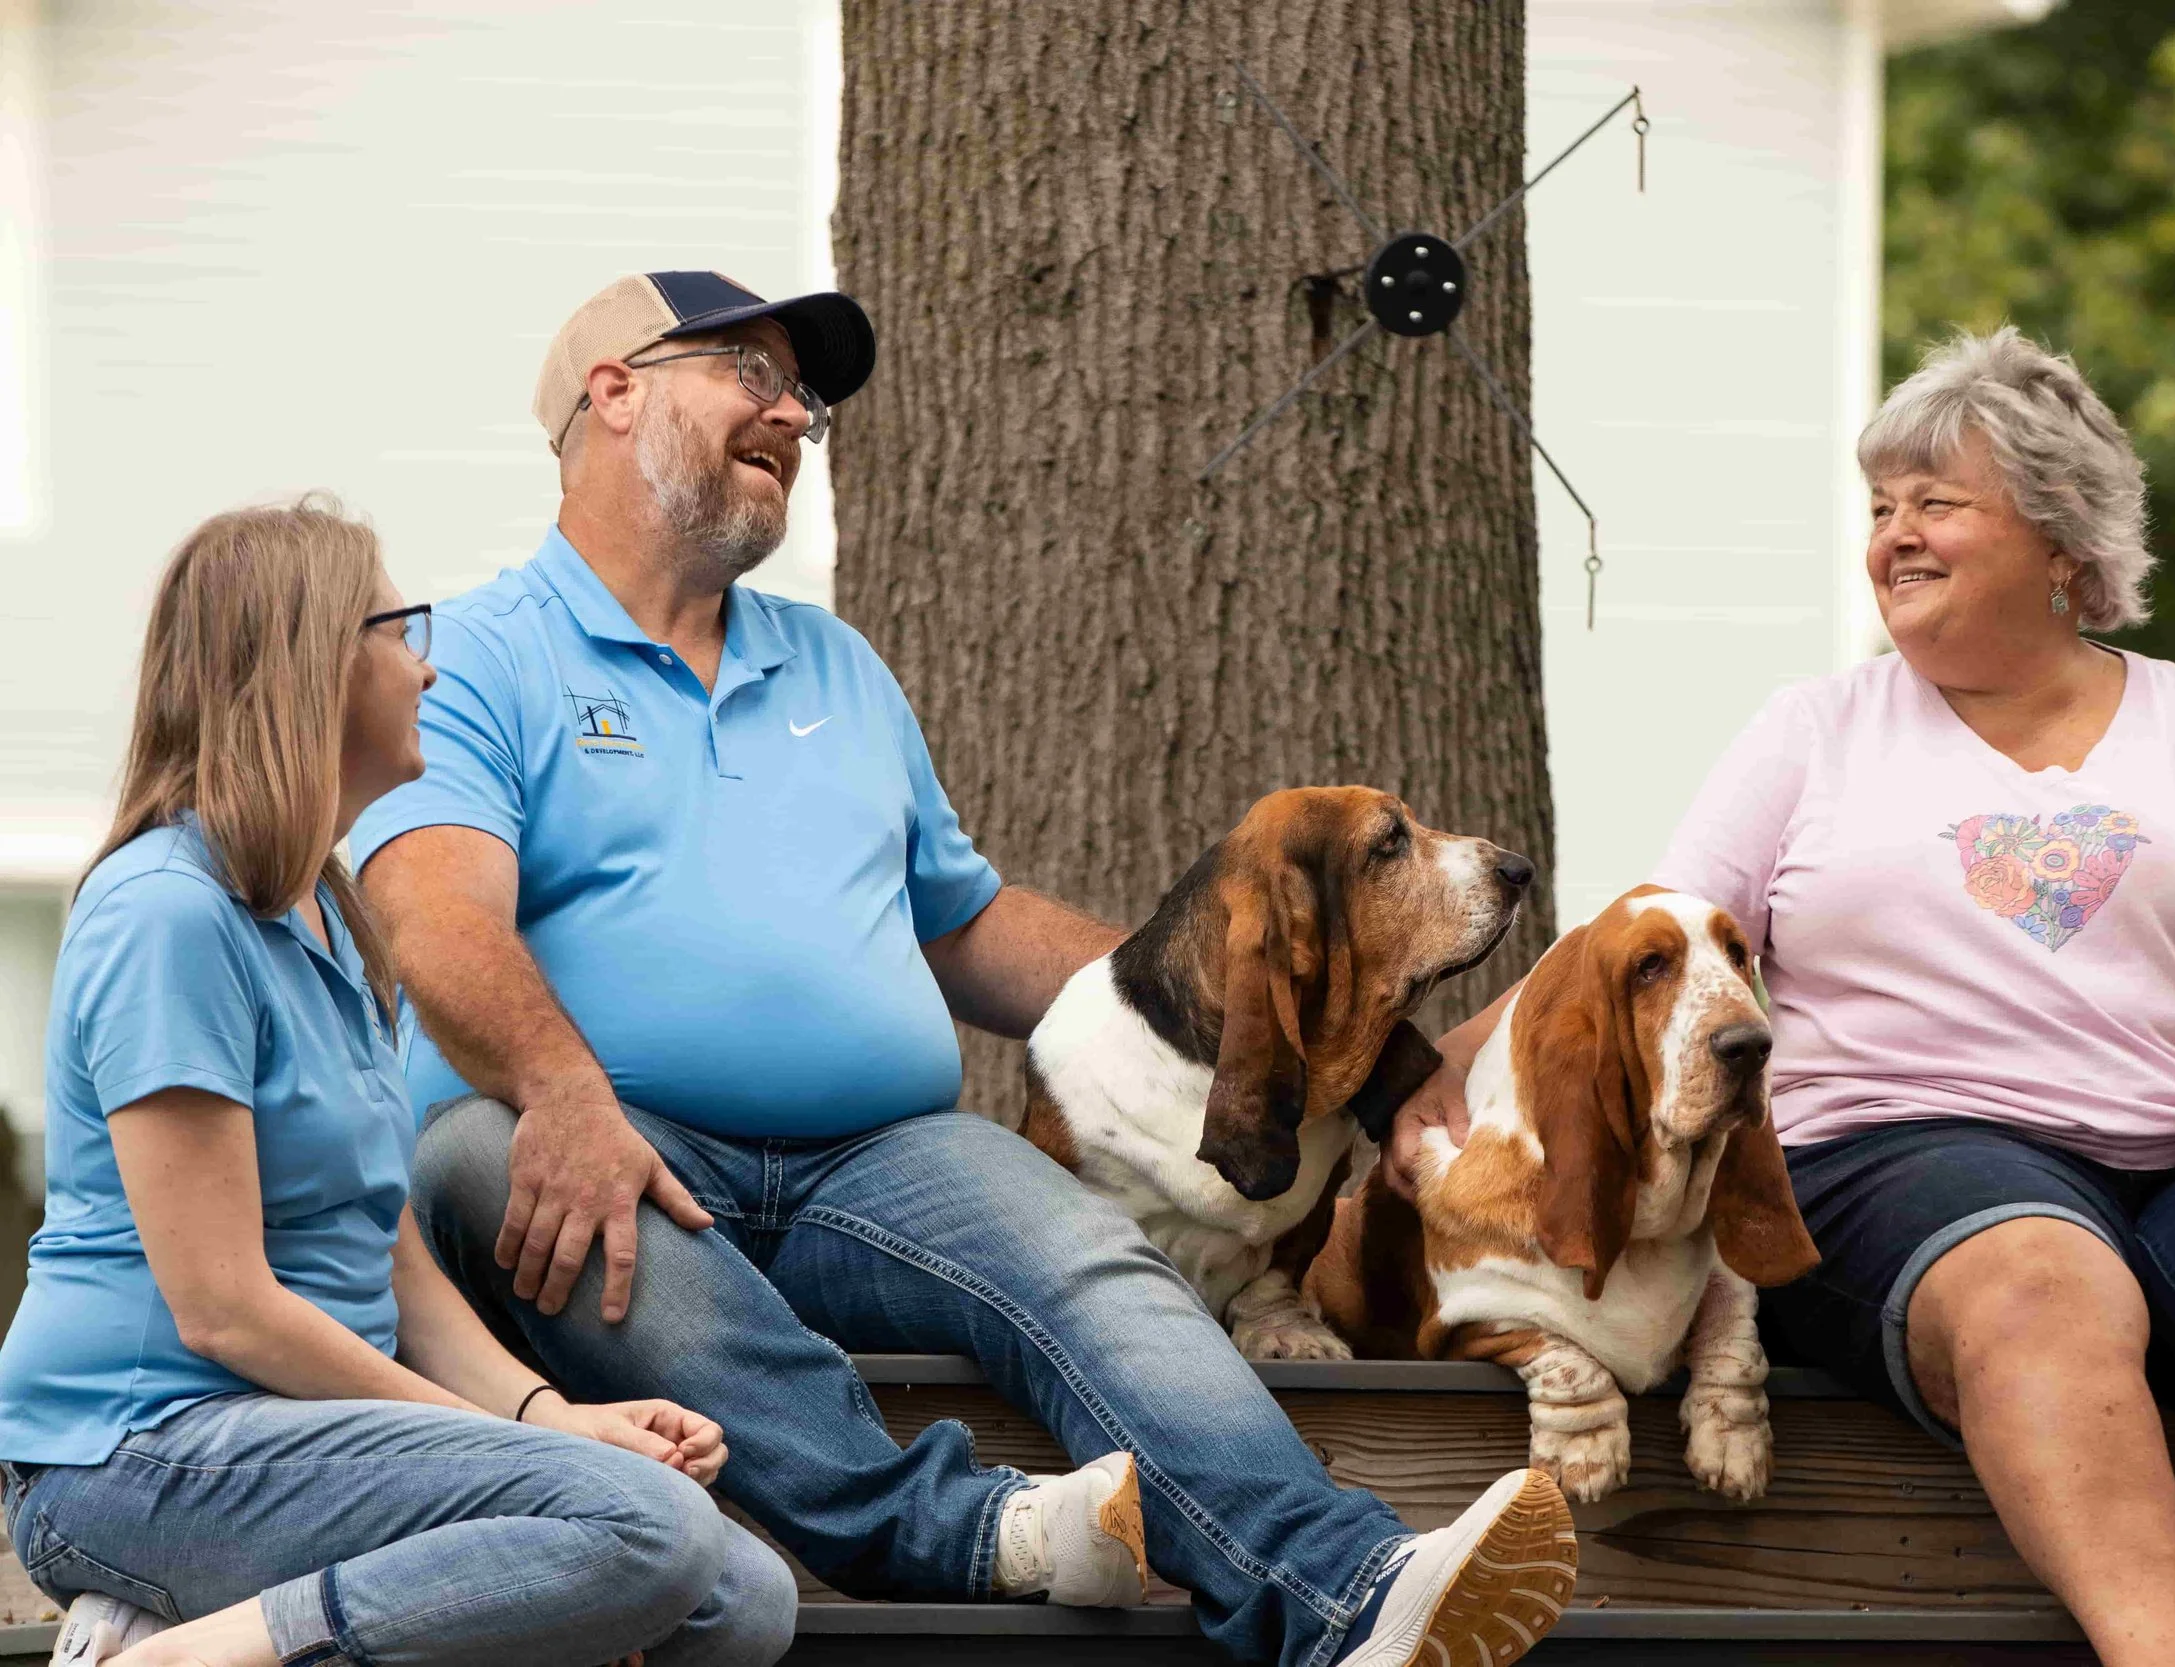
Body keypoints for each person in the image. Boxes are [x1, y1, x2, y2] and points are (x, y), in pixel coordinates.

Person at [350, 270, 1579, 1667]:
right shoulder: (475, 654)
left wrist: (1304, 1043)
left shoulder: (839, 669)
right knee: (483, 1147)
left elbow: (973, 928)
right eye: (747, 373)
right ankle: (951, 1527)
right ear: (612, 391)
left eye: (801, 396)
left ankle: (1344, 1588)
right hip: (595, 1149)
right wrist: (567, 1094)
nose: (791, 415)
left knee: (1089, 1254)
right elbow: (436, 918)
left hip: (871, 1158)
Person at [1390, 329, 2175, 1667]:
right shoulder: (1813, 730)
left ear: (2063, 542)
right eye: (1881, 508)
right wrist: (1435, 1065)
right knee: (2041, 1281)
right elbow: (1637, 943)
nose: (1894, 535)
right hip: (1908, 1157)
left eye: (1936, 504)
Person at [0, 499, 797, 1667]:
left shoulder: (331, 919)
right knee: (644, 1525)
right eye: (399, 626)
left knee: (743, 1597)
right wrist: (526, 1460)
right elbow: (222, 1306)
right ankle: (180, 1658)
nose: (427, 665)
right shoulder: (167, 914)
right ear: (314, 660)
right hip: (139, 1450)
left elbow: (389, 1255)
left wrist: (549, 1420)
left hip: (311, 1437)